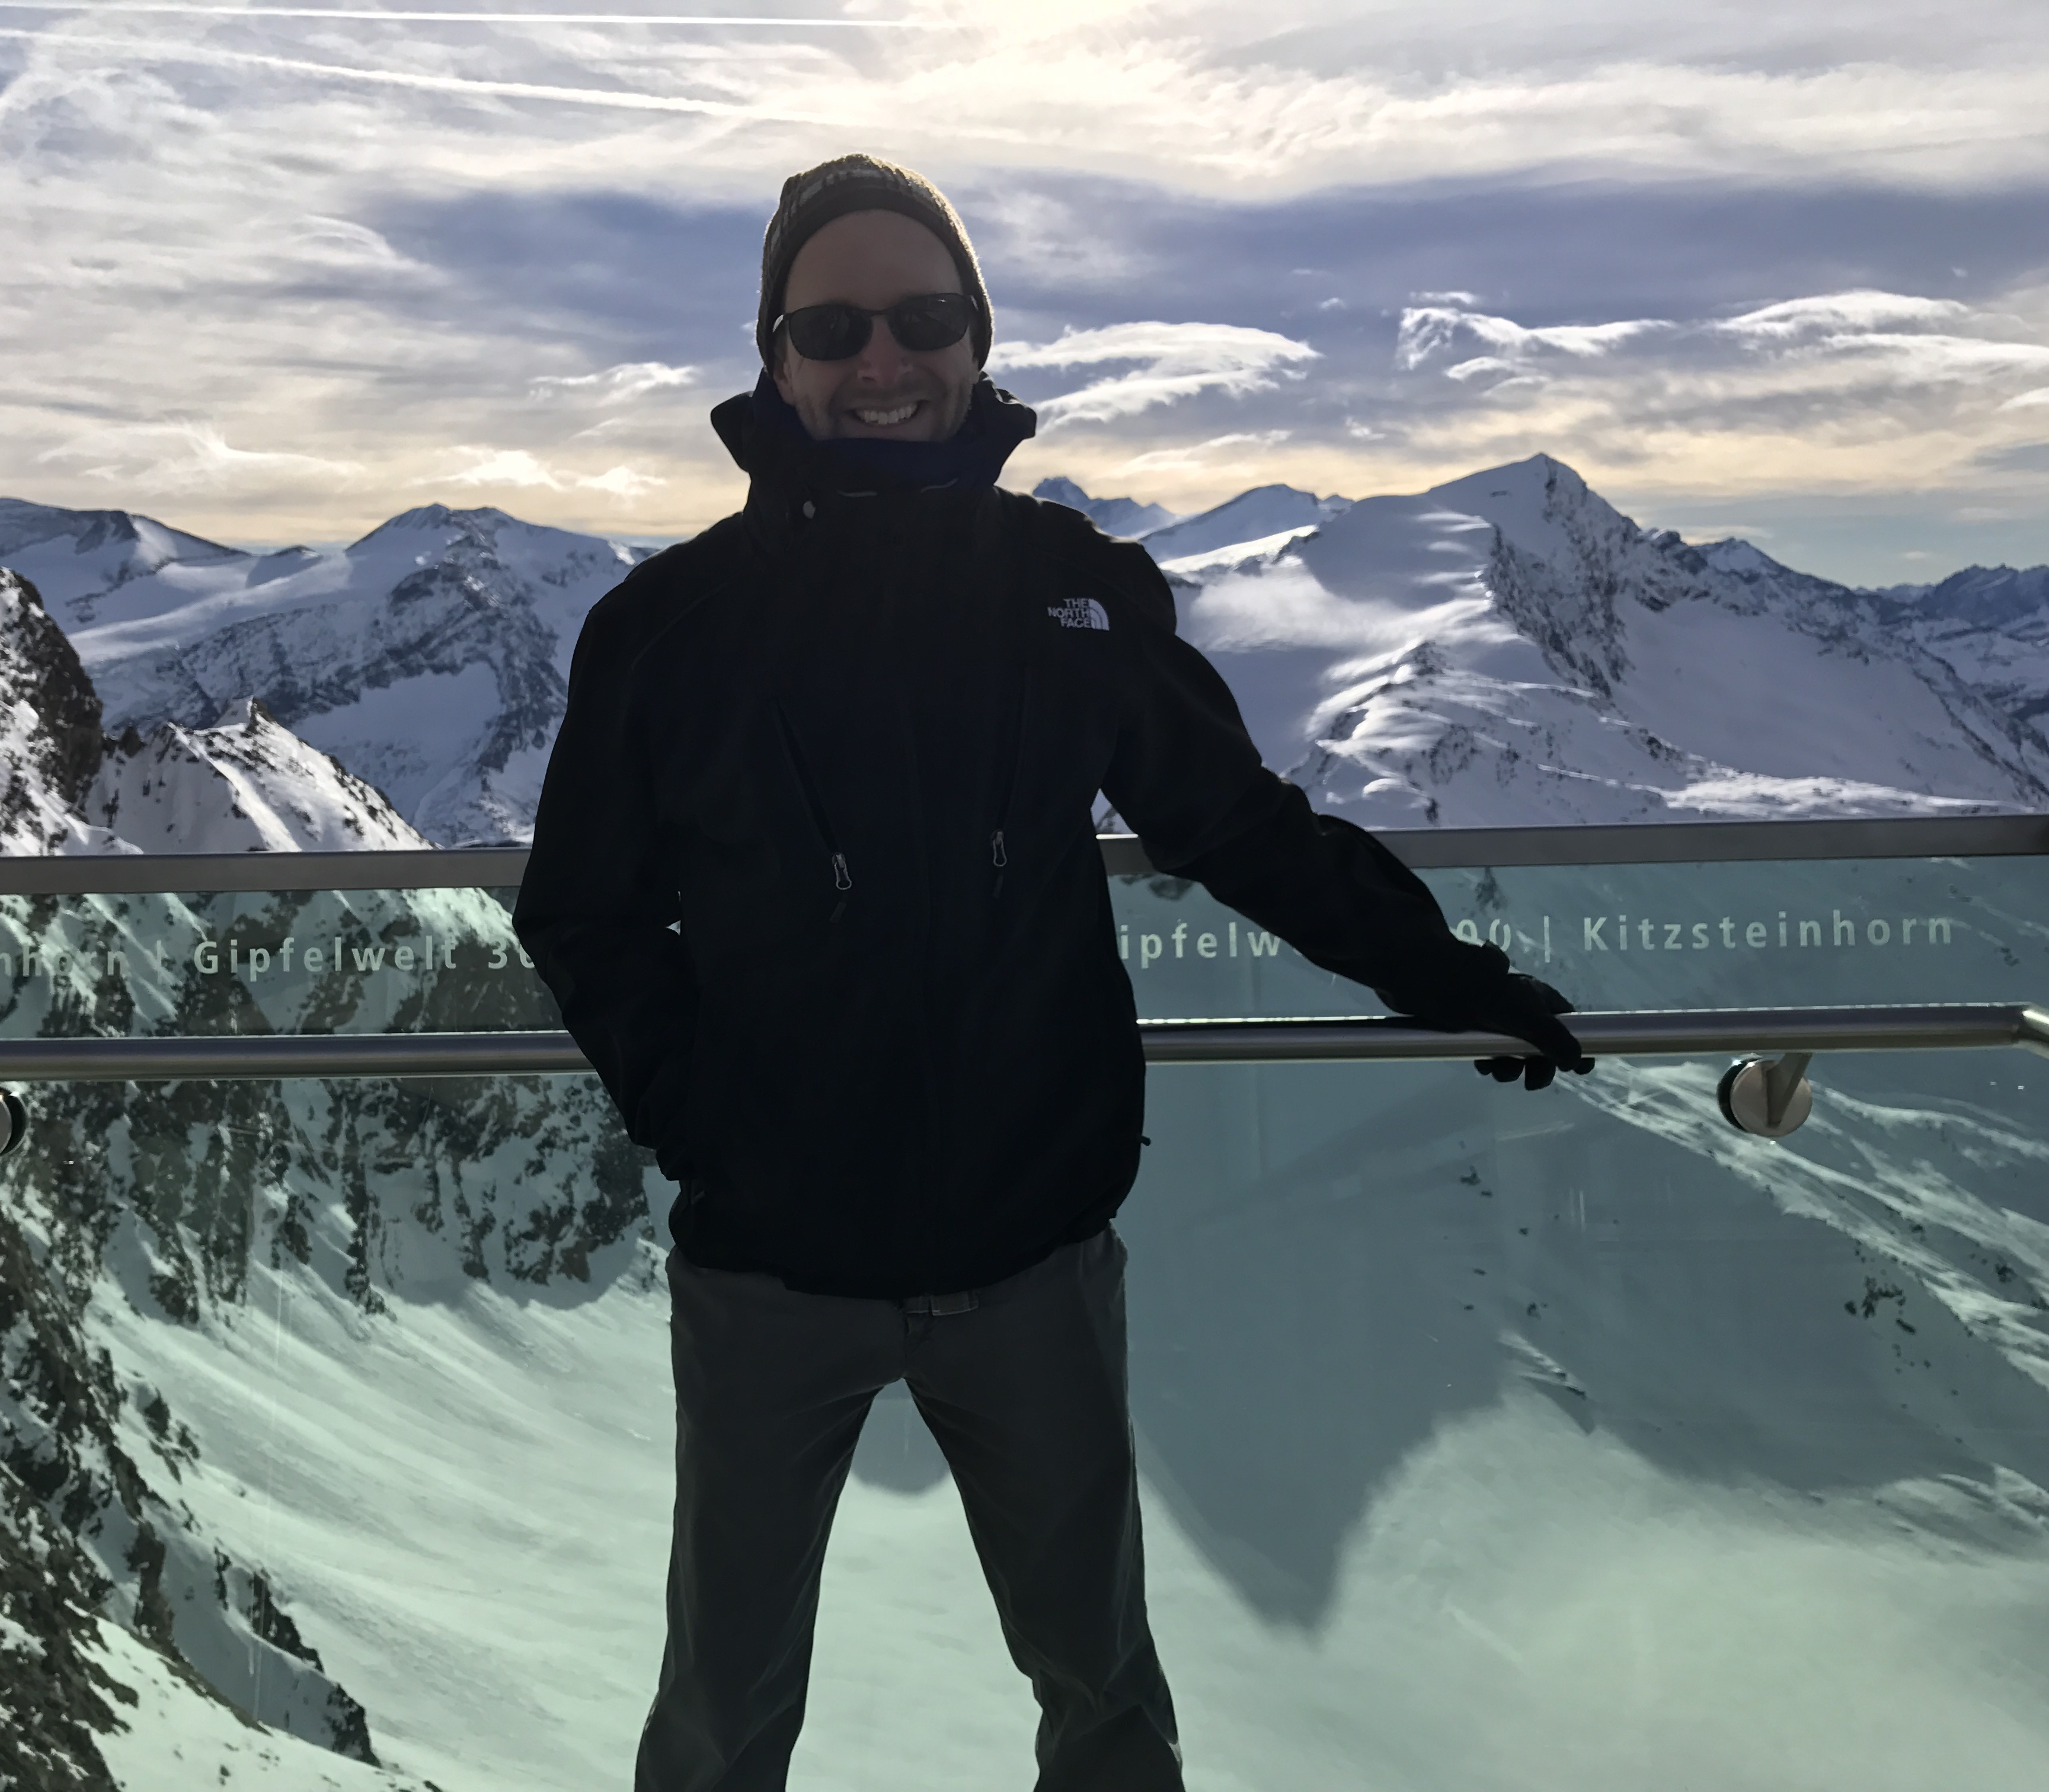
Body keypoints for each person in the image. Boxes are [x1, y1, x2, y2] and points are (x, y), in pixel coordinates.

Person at [514, 152, 1591, 1792]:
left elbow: (1234, 824)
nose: (883, 360)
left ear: (980, 338)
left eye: (924, 316)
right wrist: (710, 1124)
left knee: (1104, 1701)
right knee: (722, 1717)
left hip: (1032, 1255)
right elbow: (583, 912)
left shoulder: (1072, 592)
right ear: (775, 360)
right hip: (772, 1275)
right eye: (834, 327)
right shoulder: (670, 628)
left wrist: (1442, 975)